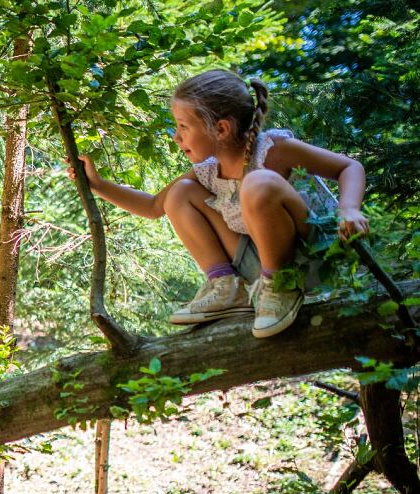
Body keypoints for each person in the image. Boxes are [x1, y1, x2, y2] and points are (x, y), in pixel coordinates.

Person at [68, 68, 368, 338]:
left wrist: (349, 209)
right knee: (180, 193)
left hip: (313, 258)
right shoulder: (209, 171)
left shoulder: (274, 150)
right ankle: (229, 288)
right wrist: (97, 185)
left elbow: (348, 167)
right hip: (258, 271)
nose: (176, 137)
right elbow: (154, 207)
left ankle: (281, 287)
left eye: (184, 126)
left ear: (221, 129)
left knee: (257, 183)